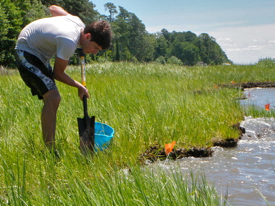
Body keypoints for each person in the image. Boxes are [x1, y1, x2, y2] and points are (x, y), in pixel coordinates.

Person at [14, 5, 111, 154]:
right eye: (95, 47)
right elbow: (58, 73)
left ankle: (49, 146)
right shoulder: (68, 41)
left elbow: (53, 9)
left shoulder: (77, 23)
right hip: (26, 51)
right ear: (87, 36)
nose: (95, 52)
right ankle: (50, 151)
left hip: (39, 55)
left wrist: (55, 25)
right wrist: (80, 86)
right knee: (53, 98)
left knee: (52, 98)